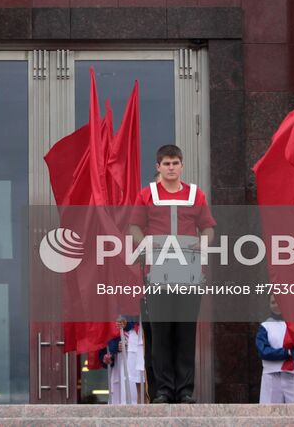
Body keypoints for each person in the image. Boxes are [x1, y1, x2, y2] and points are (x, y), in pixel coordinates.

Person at [128, 144, 214, 404]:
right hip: (157, 272)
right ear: (158, 167)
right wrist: (146, 245)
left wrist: (205, 243)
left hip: (188, 272)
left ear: (182, 165)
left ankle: (185, 390)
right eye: (166, 163)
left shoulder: (196, 195)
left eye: (175, 163)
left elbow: (208, 228)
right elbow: (134, 226)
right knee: (161, 334)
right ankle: (164, 390)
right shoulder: (147, 194)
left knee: (185, 334)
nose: (171, 167)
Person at [256, 298, 294, 404]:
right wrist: (287, 353)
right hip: (271, 375)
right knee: (269, 413)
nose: (276, 305)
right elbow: (263, 351)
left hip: (293, 375)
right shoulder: (265, 326)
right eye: (272, 302)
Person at [101, 315, 143, 404]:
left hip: (139, 355)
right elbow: (105, 335)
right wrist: (109, 353)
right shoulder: (112, 307)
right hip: (120, 363)